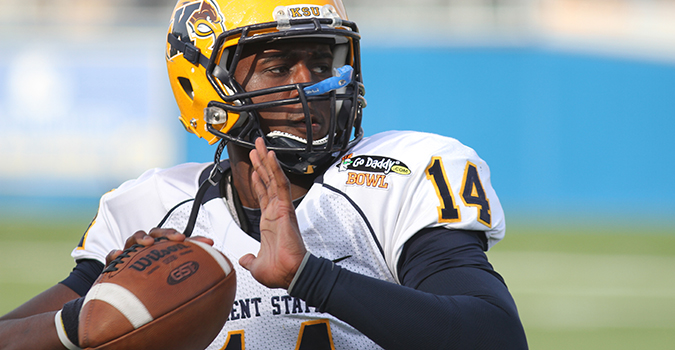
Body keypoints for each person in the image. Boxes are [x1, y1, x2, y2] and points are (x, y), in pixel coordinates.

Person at [0, 0, 528, 349]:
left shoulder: (398, 173)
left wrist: (312, 277)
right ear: (205, 86)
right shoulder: (156, 206)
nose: (313, 86)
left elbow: (496, 334)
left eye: (321, 65)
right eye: (279, 67)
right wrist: (78, 325)